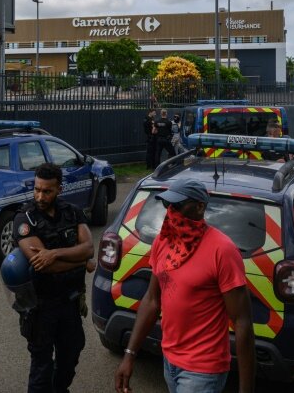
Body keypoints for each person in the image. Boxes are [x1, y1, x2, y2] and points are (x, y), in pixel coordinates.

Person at [114, 178, 255, 393]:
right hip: (169, 360)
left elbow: (242, 321)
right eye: (167, 205)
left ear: (200, 207)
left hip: (203, 369)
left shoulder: (223, 250)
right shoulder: (164, 241)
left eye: (178, 206)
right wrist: (130, 354)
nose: (171, 212)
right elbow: (152, 300)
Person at [13, 163, 95, 393]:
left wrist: (56, 252)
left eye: (47, 191)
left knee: (71, 354)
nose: (40, 196)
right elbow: (45, 266)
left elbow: (88, 247)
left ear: (60, 188)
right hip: (40, 306)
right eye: (37, 189)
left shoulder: (72, 212)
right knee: (41, 367)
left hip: (70, 301)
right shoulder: (25, 219)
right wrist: (80, 261)